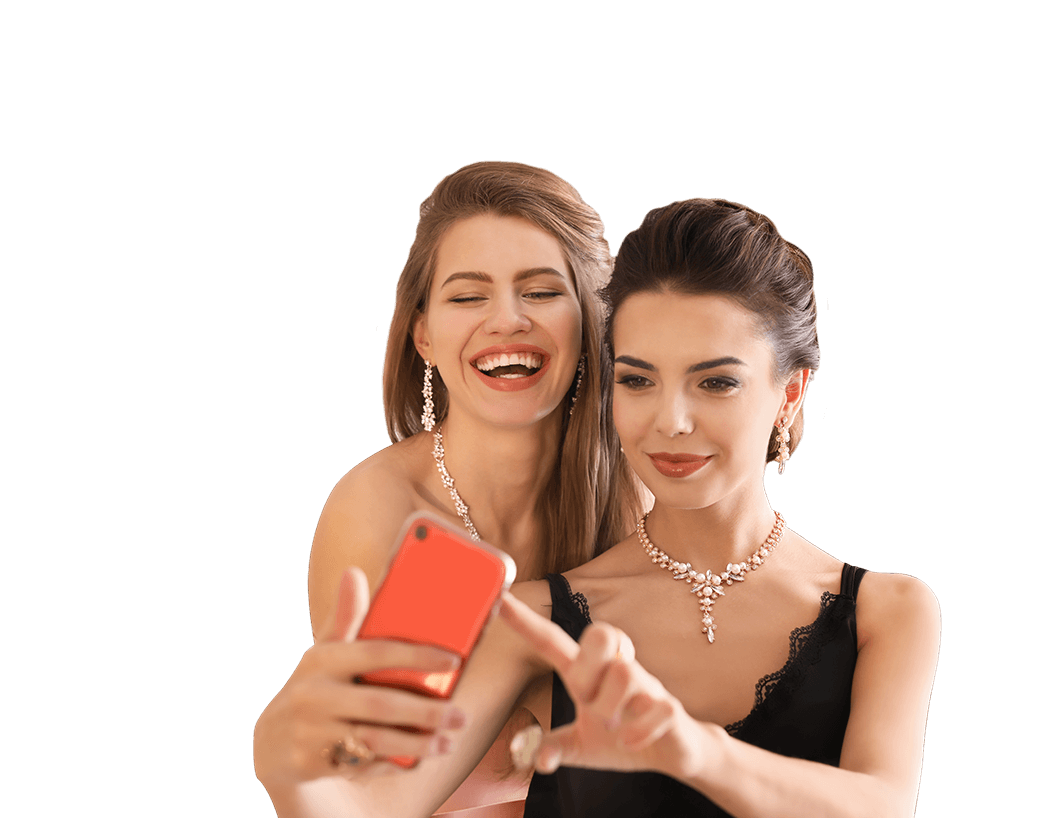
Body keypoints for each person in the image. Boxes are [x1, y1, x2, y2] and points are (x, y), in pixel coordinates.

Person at [294, 197, 941, 817]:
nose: (672, 421)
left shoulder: (892, 610)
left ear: (789, 392)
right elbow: (362, 801)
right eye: (637, 380)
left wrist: (694, 752)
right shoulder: (528, 618)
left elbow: (883, 807)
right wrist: (287, 763)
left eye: (716, 381)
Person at [252, 161, 644, 817]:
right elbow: (370, 779)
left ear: (593, 323)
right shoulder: (382, 513)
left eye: (542, 292)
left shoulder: (641, 491)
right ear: (424, 335)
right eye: (468, 297)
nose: (507, 320)